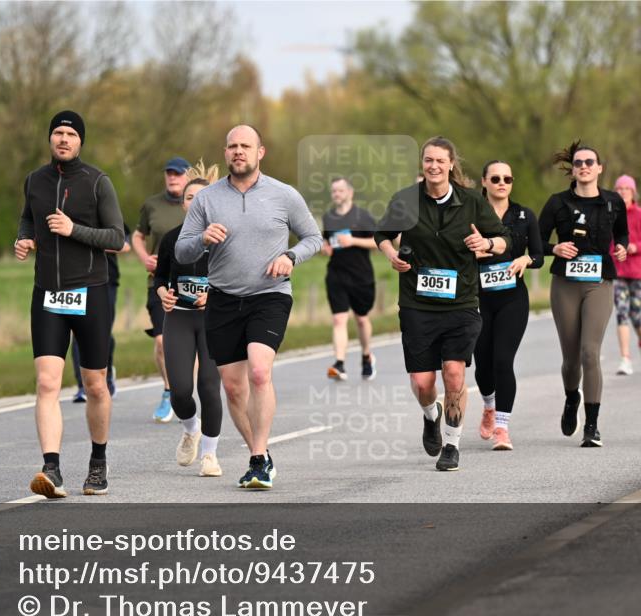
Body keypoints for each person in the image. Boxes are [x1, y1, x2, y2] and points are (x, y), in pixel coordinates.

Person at [176, 125, 322, 489]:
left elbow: (313, 238)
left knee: (259, 372)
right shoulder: (208, 199)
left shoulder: (283, 195)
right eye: (232, 146)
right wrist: (201, 239)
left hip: (269, 295)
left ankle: (257, 459)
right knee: (234, 388)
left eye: (245, 146)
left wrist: (290, 256)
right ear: (225, 153)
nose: (238, 151)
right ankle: (262, 455)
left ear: (261, 152)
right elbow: (182, 250)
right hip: (223, 299)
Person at [375, 137, 510, 471]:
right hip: (417, 303)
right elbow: (381, 234)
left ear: (452, 164)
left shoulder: (472, 203)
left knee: (453, 373)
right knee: (423, 383)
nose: (433, 166)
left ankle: (451, 444)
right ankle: (430, 415)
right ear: (422, 164)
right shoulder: (405, 201)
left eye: (440, 161)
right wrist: (392, 254)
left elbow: (505, 240)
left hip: (460, 301)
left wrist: (487, 242)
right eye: (428, 160)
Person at [14, 110, 125, 498]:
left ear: (80, 141)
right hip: (47, 293)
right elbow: (28, 220)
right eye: (58, 133)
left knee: (95, 384)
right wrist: (24, 239)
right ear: (50, 138)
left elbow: (117, 238)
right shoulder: (35, 181)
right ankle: (52, 469)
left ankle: (98, 462)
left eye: (70, 134)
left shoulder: (97, 182)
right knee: (47, 382)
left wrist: (72, 229)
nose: (63, 139)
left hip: (91, 292)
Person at [539, 141, 628, 448]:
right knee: (571, 359)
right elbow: (535, 244)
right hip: (565, 285)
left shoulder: (614, 202)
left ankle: (592, 426)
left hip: (598, 283)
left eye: (590, 162)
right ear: (573, 170)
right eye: (579, 163)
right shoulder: (557, 203)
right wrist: (555, 249)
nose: (584, 167)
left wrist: (622, 247)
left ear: (600, 168)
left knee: (590, 352)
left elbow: (624, 235)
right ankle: (570, 397)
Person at [156, 163, 223, 477]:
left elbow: (236, 277)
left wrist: (213, 293)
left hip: (213, 320)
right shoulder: (171, 239)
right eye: (189, 197)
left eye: (201, 196)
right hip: (179, 318)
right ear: (183, 204)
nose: (194, 202)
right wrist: (162, 294)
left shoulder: (222, 235)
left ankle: (210, 455)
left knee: (209, 386)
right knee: (181, 391)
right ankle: (191, 428)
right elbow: (159, 277)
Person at [473, 160, 543, 451]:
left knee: (503, 360)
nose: (503, 183)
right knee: (483, 363)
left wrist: (526, 259)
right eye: (496, 178)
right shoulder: (471, 213)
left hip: (513, 297)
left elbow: (538, 254)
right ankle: (489, 406)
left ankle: (502, 427)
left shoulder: (524, 214)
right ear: (484, 181)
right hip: (478, 297)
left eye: (508, 179)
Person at [134, 156, 190, 423]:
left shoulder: (197, 203)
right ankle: (169, 391)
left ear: (187, 177)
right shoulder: (151, 204)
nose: (172, 178)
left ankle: (187, 391)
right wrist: (144, 257)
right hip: (159, 283)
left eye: (178, 174)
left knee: (192, 344)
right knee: (161, 341)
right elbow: (137, 235)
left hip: (192, 284)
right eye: (169, 173)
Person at [320, 176, 378, 381]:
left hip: (361, 276)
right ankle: (340, 364)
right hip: (336, 274)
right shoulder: (328, 218)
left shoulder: (363, 216)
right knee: (339, 318)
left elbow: (379, 242)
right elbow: (327, 242)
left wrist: (353, 240)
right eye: (334, 191)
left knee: (361, 319)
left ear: (350, 193)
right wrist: (325, 248)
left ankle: (366, 357)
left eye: (340, 191)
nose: (337, 194)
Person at [72, 223, 129, 402]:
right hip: (75, 282)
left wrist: (90, 240)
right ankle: (82, 386)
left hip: (106, 281)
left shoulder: (108, 213)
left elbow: (125, 245)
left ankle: (108, 376)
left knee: (102, 332)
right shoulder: (70, 215)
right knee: (78, 334)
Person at [610, 174, 641, 375]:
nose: (622, 192)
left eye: (626, 189)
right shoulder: (610, 215)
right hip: (618, 271)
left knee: (634, 314)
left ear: (633, 192)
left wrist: (635, 246)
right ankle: (625, 359)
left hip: (639, 272)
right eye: (619, 189)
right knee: (621, 313)